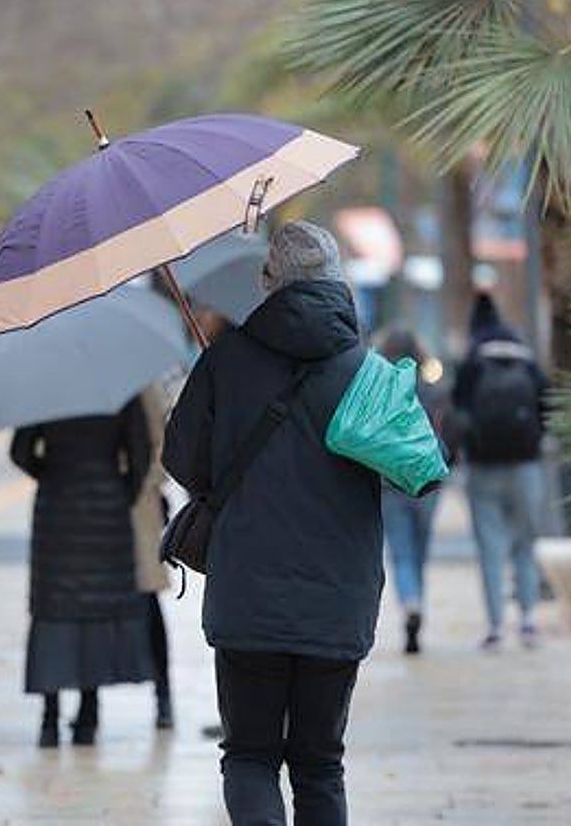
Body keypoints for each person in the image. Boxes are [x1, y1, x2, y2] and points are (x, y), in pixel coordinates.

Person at [163, 221, 444, 825]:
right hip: (336, 599)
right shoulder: (364, 371)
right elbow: (418, 472)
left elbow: (182, 461)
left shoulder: (226, 360)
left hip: (248, 599)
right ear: (336, 281)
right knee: (320, 764)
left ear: (269, 281)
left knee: (249, 756)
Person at [10, 399, 155, 748]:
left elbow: (20, 451)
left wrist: (48, 472)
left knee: (54, 611)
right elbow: (142, 452)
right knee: (97, 611)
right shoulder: (121, 386)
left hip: (56, 510)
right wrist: (122, 490)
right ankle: (88, 716)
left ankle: (49, 720)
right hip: (107, 510)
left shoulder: (48, 386)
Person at [452, 293, 549, 652]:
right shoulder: (524, 354)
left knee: (490, 546)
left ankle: (495, 626)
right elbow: (546, 402)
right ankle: (528, 621)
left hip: (483, 468)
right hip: (526, 465)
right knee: (526, 543)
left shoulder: (473, 358)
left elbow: (458, 411)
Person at [377, 329, 450, 655]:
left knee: (401, 553)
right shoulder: (432, 389)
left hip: (391, 481)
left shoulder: (380, 389)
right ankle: (417, 601)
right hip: (427, 481)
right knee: (420, 551)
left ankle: (409, 602)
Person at [131, 383, 173, 730]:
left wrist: (149, 481)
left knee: (146, 603)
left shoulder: (142, 379)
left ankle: (163, 695)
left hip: (138, 503)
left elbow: (163, 440)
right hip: (102, 502)